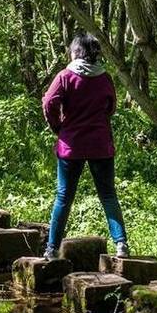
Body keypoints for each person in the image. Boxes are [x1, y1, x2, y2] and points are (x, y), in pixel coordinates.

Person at [42, 32, 130, 260]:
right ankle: (121, 245)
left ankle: (51, 249)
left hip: (71, 145)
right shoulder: (105, 78)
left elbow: (49, 102)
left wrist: (58, 127)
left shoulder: (64, 76)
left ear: (76, 52)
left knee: (63, 197)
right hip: (100, 143)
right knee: (108, 195)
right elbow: (111, 106)